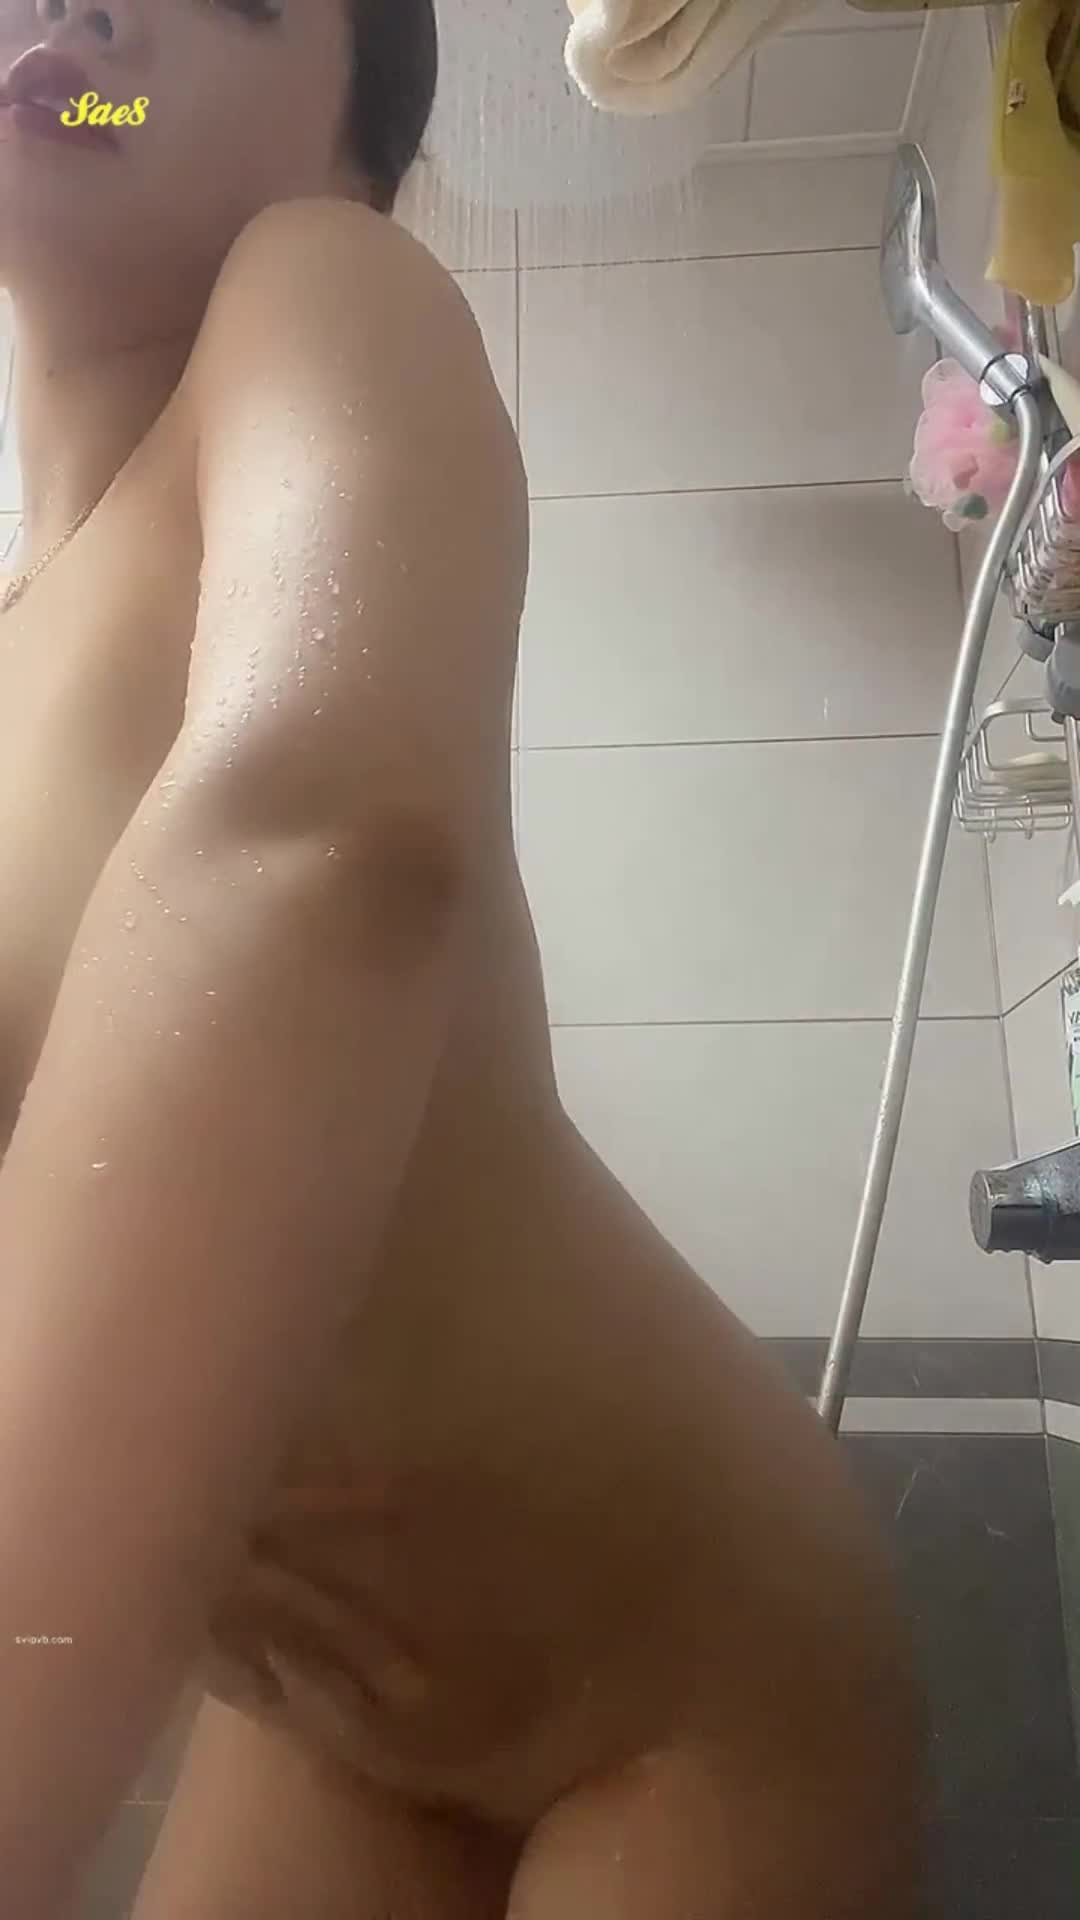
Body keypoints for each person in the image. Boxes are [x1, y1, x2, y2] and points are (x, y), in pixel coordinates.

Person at [0, 1, 924, 1914]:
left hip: (686, 1672)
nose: (83, 15)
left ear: (363, 154)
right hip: (329, 1710)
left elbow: (317, 834)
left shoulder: (318, 285)